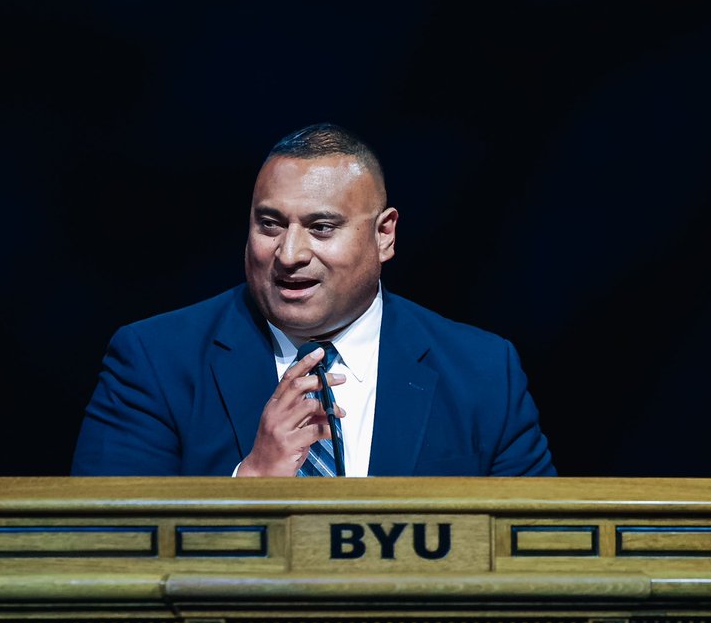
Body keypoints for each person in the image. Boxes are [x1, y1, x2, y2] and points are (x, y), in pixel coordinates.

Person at [71, 122, 555, 477]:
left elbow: (538, 555)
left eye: (321, 228)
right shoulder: (154, 361)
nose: (289, 254)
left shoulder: (484, 372)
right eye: (270, 224)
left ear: (384, 235)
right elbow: (105, 546)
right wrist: (253, 482)